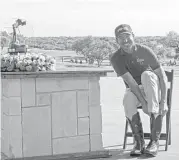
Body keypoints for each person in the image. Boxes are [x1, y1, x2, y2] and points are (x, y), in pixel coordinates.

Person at [110, 24, 168, 157]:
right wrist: (143, 102)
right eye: (120, 38)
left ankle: (154, 142)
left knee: (147, 75)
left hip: (152, 85)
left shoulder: (145, 51)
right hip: (135, 88)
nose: (125, 41)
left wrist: (163, 101)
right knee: (127, 100)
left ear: (133, 36)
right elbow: (131, 83)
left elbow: (162, 76)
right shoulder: (116, 58)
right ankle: (139, 142)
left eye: (127, 36)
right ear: (116, 41)